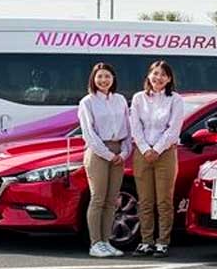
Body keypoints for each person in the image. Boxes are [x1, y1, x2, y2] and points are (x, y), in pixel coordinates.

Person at [129, 60, 184, 258]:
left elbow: (174, 128)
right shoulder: (138, 98)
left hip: (166, 153)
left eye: (163, 75)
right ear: (149, 76)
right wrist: (145, 148)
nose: (158, 78)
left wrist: (157, 149)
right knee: (145, 201)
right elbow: (135, 126)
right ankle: (146, 241)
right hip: (142, 153)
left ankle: (162, 241)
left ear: (169, 79)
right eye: (155, 74)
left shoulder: (175, 99)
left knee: (164, 200)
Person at [78, 62, 131, 258]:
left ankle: (106, 241)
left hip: (118, 151)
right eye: (99, 77)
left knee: (111, 201)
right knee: (98, 198)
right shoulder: (87, 102)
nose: (103, 80)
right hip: (98, 152)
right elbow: (89, 134)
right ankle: (95, 243)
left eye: (107, 76)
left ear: (113, 79)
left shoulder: (120, 100)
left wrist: (124, 152)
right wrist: (109, 155)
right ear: (93, 79)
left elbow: (128, 127)